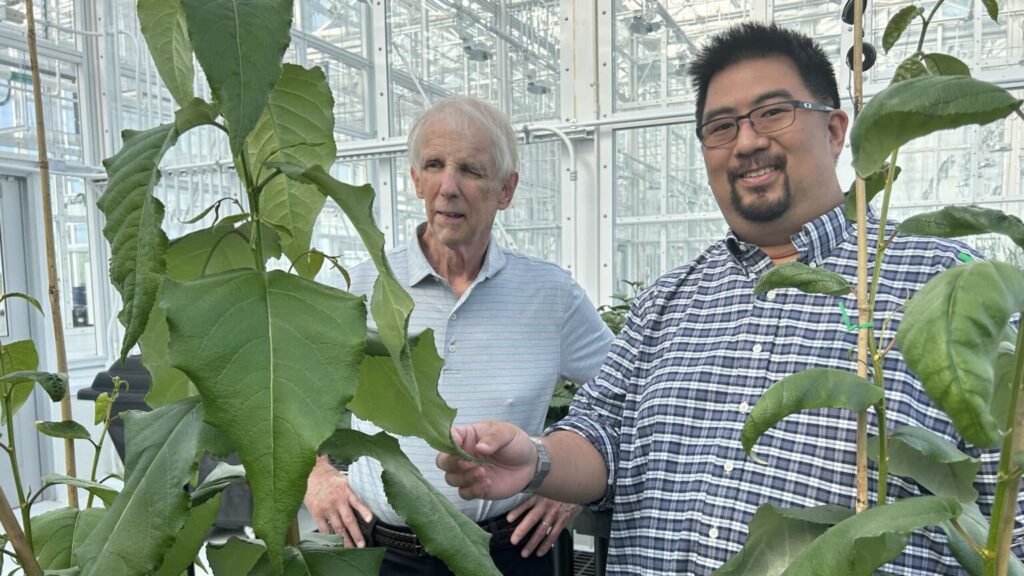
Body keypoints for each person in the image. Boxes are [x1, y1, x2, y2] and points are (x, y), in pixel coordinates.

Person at [437, 22, 1024, 575]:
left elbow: (1009, 514)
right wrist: (535, 460)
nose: (746, 142)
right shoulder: (669, 302)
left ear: (836, 129)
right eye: (720, 127)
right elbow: (599, 435)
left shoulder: (941, 288)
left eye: (773, 112)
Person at [304, 95, 614, 575]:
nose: (448, 187)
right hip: (384, 555)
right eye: (434, 164)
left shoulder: (549, 295)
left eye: (470, 170)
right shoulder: (361, 288)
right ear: (415, 180)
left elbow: (626, 395)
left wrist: (565, 483)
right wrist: (316, 472)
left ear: (506, 190)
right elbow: (297, 399)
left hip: (510, 552)